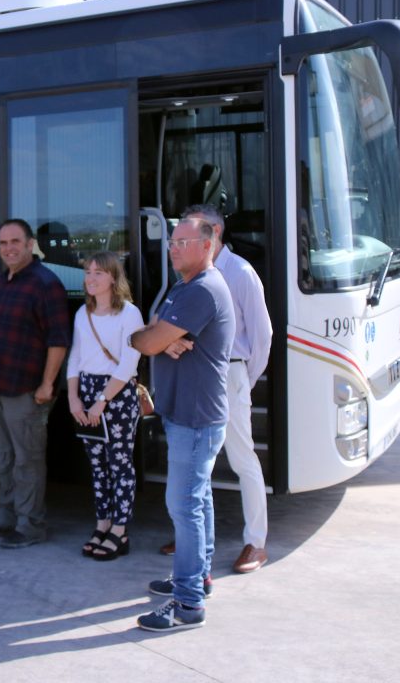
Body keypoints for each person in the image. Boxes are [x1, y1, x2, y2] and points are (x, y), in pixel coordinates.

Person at [131, 216, 234, 632]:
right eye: (171, 242)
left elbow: (145, 339)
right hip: (186, 414)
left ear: (207, 245)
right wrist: (157, 338)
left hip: (195, 418)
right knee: (199, 499)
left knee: (184, 505)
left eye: (181, 242)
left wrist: (155, 338)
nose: (172, 248)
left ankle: (188, 603)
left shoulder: (203, 290)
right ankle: (199, 578)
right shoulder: (183, 286)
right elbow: (149, 336)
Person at [160, 205, 273, 574]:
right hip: (199, 376)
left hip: (229, 375)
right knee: (198, 465)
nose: (177, 245)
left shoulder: (239, 272)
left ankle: (256, 543)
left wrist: (244, 379)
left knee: (242, 460)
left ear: (213, 235)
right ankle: (193, 538)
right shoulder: (189, 276)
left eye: (187, 237)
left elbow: (262, 335)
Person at [0, 219, 70, 548]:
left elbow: (58, 340)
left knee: (26, 459)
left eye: (15, 241)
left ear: (30, 244)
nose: (9, 249)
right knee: (3, 456)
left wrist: (47, 384)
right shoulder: (6, 280)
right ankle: (6, 515)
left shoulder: (45, 283)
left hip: (27, 388)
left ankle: (30, 524)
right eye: (3, 243)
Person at [66, 251, 145, 560]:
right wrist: (74, 397)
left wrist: (101, 401)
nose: (91, 278)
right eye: (88, 272)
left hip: (117, 393)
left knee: (120, 463)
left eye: (98, 273)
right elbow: (75, 358)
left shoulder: (129, 314)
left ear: (114, 277)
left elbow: (129, 363)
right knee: (97, 465)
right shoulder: (81, 315)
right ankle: (103, 523)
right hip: (86, 391)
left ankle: (120, 530)